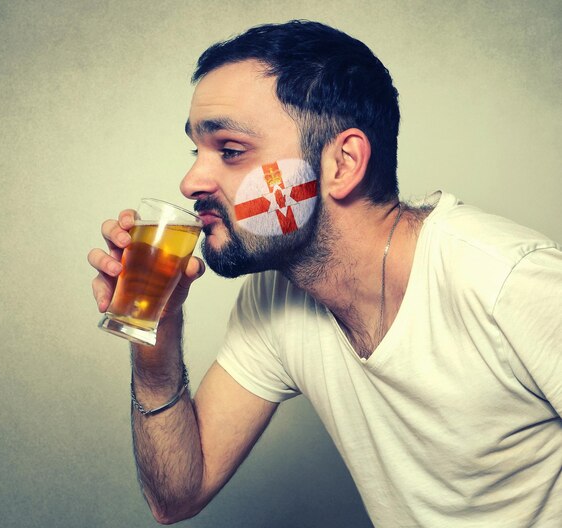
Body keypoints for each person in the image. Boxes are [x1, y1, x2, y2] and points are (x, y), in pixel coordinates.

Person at [87, 20, 562, 527]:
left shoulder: (510, 281)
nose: (190, 181)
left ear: (343, 163)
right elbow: (176, 497)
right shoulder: (274, 297)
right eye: (196, 151)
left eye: (230, 150)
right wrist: (154, 334)